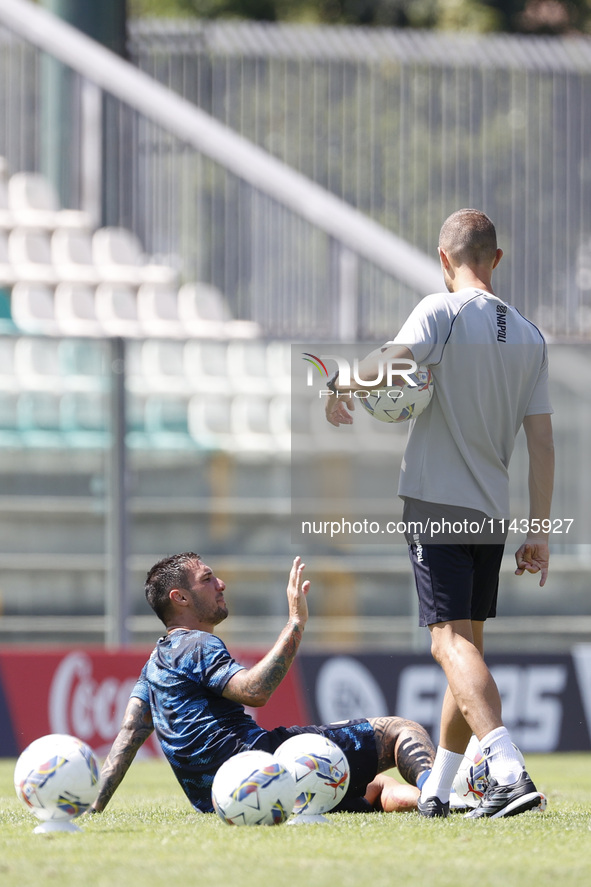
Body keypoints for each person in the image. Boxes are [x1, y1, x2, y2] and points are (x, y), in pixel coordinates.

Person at [326, 208, 554, 819]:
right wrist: (538, 528)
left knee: (447, 644)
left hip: (435, 502)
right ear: (496, 259)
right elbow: (542, 444)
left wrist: (340, 385)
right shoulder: (531, 335)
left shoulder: (440, 312)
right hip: (491, 510)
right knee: (468, 648)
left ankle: (507, 768)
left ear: (444, 259)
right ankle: (439, 789)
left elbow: (386, 365)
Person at [88, 552, 435, 816]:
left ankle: (438, 798)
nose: (221, 584)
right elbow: (254, 691)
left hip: (222, 798)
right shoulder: (197, 643)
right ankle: (438, 793)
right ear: (180, 598)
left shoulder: (155, 662)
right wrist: (296, 623)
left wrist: (95, 807)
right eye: (207, 579)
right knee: (399, 731)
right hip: (263, 766)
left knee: (375, 787)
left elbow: (129, 735)